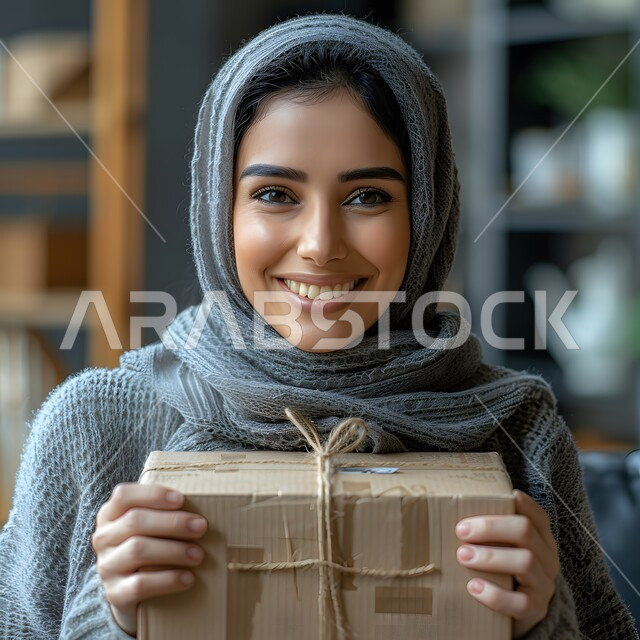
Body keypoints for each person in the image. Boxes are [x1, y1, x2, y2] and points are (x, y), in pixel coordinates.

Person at [0, 13, 637, 640]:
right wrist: (107, 616)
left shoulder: (520, 431)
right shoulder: (92, 427)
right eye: (275, 194)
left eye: (368, 197)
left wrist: (543, 626)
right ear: (219, 207)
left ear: (427, 212)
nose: (320, 245)